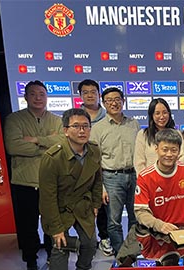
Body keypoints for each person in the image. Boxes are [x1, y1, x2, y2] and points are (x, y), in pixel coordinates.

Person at [115, 129, 184, 266]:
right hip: (154, 232)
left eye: (173, 150)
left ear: (179, 152)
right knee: (122, 263)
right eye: (165, 149)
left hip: (183, 231)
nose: (169, 154)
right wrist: (159, 225)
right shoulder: (145, 176)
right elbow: (141, 212)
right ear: (156, 149)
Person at [4, 80, 63, 270]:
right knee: (28, 225)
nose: (38, 98)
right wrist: (47, 145)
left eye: (42, 94)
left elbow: (62, 144)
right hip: (25, 182)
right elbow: (13, 146)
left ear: (47, 97)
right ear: (25, 97)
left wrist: (36, 140)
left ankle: (52, 257)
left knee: (51, 223)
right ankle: (30, 259)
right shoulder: (14, 119)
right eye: (33, 94)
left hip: (51, 182)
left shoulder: (56, 119)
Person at [39, 108, 102, 270]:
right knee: (61, 247)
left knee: (90, 244)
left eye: (86, 126)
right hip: (60, 209)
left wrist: (96, 204)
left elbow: (97, 180)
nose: (82, 131)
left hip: (83, 206)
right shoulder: (53, 158)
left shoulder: (94, 150)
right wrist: (56, 229)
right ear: (66, 130)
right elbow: (47, 198)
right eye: (76, 126)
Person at [89, 87, 140, 255]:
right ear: (103, 103)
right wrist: (101, 186)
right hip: (111, 178)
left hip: (134, 176)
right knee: (114, 221)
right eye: (109, 100)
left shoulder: (133, 124)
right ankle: (120, 256)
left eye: (117, 99)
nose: (114, 103)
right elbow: (94, 161)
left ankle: (132, 252)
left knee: (135, 218)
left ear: (123, 101)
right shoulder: (97, 129)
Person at [77, 79, 112, 256]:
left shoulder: (109, 116)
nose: (90, 95)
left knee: (102, 204)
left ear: (99, 94)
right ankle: (86, 241)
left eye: (93, 91)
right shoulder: (75, 116)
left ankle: (104, 237)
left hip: (103, 168)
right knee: (85, 204)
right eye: (85, 92)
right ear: (80, 95)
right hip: (81, 167)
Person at [134, 98, 184, 174]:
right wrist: (146, 181)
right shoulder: (143, 135)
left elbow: (182, 159)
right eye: (157, 113)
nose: (162, 117)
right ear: (152, 115)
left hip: (173, 179)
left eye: (165, 112)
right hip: (150, 180)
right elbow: (139, 163)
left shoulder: (177, 134)